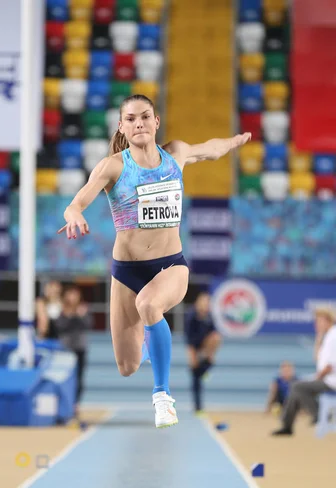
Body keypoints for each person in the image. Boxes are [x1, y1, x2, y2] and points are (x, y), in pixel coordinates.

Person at [58, 94, 251, 428]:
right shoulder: (113, 166)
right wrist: (74, 214)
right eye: (131, 119)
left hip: (170, 266)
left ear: (156, 121)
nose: (139, 124)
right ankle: (151, 340)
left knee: (150, 305)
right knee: (127, 366)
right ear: (122, 126)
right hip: (126, 271)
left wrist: (234, 141)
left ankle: (163, 398)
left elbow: (211, 148)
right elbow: (76, 202)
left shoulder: (175, 154)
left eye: (145, 117)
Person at [272, 307, 336, 436]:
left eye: (318, 321)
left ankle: (318, 414)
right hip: (326, 378)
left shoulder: (334, 336)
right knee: (295, 387)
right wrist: (319, 338)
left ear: (326, 320)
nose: (316, 325)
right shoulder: (327, 336)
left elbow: (330, 366)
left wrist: (319, 376)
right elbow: (317, 359)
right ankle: (287, 426)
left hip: (331, 380)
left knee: (297, 386)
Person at [54, 285, 91, 414]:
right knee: (65, 377)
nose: (73, 297)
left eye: (75, 294)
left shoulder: (83, 309)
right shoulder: (62, 310)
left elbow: (87, 324)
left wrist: (79, 316)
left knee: (79, 378)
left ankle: (75, 404)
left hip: (80, 348)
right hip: (66, 349)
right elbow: (60, 326)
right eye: (70, 294)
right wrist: (70, 316)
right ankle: (64, 403)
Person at [184, 291, 221, 413]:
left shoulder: (209, 317)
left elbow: (214, 334)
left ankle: (206, 365)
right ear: (198, 303)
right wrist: (192, 356)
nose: (206, 304)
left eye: (207, 302)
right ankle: (198, 406)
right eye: (204, 302)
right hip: (194, 345)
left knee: (216, 338)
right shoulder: (191, 316)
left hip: (205, 346)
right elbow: (189, 339)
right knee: (195, 373)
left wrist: (210, 354)